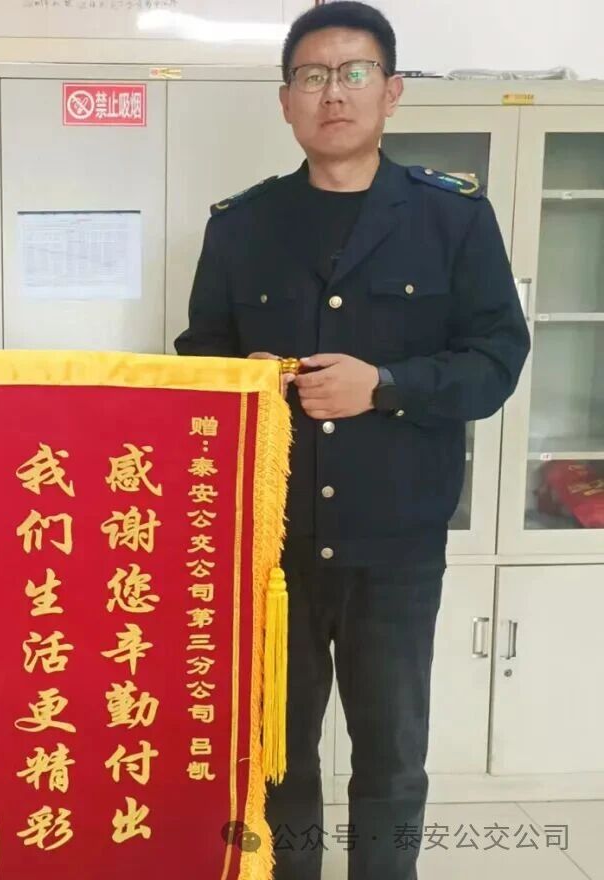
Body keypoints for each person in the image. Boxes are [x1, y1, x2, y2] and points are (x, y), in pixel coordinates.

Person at [175, 4, 530, 878]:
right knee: (279, 760)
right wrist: (242, 380)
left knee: (392, 763)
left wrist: (386, 385)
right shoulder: (242, 225)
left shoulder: (452, 220)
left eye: (354, 73)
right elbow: (199, 359)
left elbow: (495, 360)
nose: (332, 94)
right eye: (312, 77)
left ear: (391, 91)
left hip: (395, 545)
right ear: (285, 101)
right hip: (273, 548)